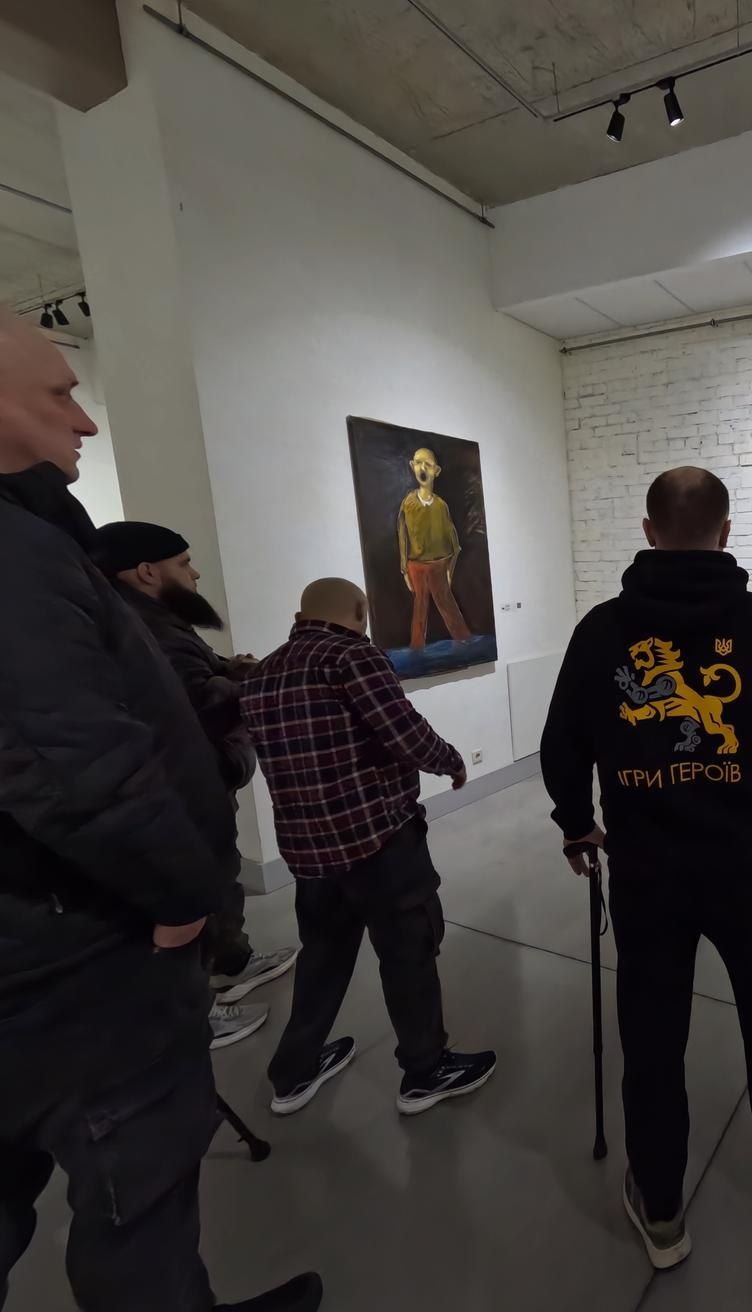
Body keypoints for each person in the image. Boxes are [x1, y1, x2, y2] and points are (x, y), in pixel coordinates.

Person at [0, 310, 321, 1311]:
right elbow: (77, 767)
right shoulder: (14, 557)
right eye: (60, 392)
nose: (86, 419)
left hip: (38, 951)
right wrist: (187, 899)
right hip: (78, 968)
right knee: (135, 1199)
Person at [540, 466, 752, 1270]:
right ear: (727, 533)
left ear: (648, 531)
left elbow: (562, 740)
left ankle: (662, 1208)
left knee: (653, 1033)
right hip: (751, 861)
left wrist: (576, 823)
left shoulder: (601, 630)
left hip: (647, 868)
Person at [241, 577, 495, 1117]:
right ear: (360, 611)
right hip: (377, 842)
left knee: (323, 959)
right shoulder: (353, 656)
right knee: (408, 954)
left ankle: (293, 1071)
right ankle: (425, 1071)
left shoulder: (263, 673)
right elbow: (404, 732)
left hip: (308, 851)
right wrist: (450, 760)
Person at [95, 521, 300, 1051]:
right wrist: (257, 683)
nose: (195, 573)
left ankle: (232, 959)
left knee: (218, 872)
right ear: (146, 571)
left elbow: (197, 673)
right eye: (183, 563)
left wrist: (233, 668)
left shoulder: (149, 619)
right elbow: (191, 702)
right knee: (197, 885)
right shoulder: (143, 627)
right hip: (181, 782)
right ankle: (196, 1014)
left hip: (196, 776)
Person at [399, 446, 470, 650]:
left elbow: (454, 543)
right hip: (416, 566)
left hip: (440, 564)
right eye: (418, 463)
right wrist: (404, 569)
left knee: (447, 604)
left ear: (436, 471)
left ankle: (464, 641)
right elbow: (402, 537)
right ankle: (417, 648)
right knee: (419, 607)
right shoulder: (408, 504)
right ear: (412, 466)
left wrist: (449, 568)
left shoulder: (441, 506)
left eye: (428, 465)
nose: (422, 468)